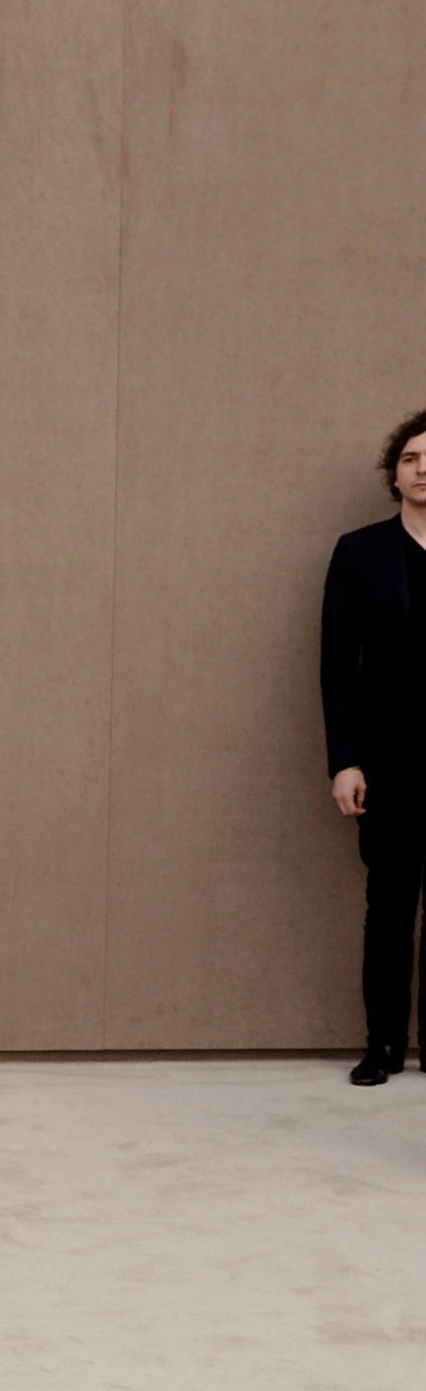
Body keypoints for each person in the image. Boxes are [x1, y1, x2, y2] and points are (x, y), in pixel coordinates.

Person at [323, 410, 426, 1083]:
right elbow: (335, 664)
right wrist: (344, 761)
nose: (423, 468)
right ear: (393, 472)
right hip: (385, 764)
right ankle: (382, 1044)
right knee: (387, 907)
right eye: (412, 457)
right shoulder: (358, 551)